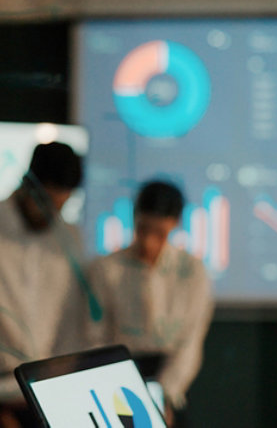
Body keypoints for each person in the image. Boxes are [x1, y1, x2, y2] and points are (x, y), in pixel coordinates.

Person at [0, 141, 88, 427]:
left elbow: (69, 323)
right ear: (27, 184)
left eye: (60, 205)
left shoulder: (71, 238)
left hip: (48, 390)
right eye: (45, 201)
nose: (51, 212)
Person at [86, 180, 214, 427]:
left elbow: (190, 340)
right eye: (143, 229)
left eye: (159, 233)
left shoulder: (192, 271)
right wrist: (115, 386)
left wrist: (166, 394)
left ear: (175, 224)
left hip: (169, 379)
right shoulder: (106, 268)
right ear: (134, 218)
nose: (148, 242)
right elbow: (95, 336)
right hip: (118, 375)